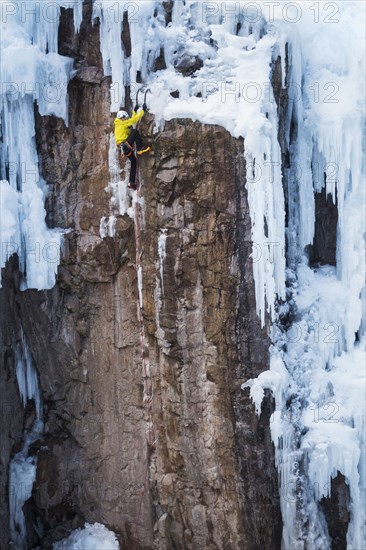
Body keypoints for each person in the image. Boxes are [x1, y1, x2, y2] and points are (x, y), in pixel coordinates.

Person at [114, 103, 150, 189]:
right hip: (126, 145)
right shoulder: (121, 123)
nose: (126, 119)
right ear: (122, 117)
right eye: (125, 118)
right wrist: (142, 111)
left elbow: (131, 120)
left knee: (134, 161)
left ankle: (131, 183)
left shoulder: (120, 123)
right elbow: (134, 120)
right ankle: (140, 148)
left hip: (124, 149)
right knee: (134, 132)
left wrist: (134, 111)